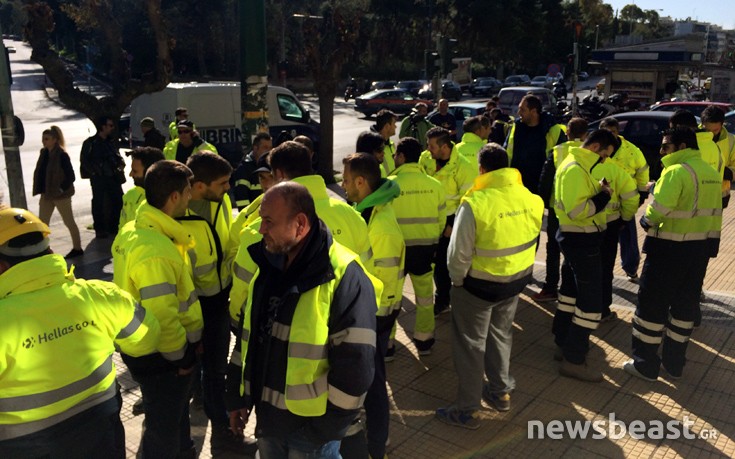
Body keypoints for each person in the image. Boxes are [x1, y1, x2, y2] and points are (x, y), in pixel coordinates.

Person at [226, 182, 377, 459]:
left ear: (300, 224)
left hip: (310, 435)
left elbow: (357, 366)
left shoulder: (344, 276)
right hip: (268, 423)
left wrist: (324, 430)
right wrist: (237, 395)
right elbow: (249, 338)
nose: (261, 230)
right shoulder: (268, 267)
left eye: (268, 222)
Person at [0, 207, 160, 459]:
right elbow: (147, 338)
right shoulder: (102, 296)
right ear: (49, 252)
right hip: (101, 432)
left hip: (23, 446)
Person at [436, 143, 543, 429]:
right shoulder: (531, 198)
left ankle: (468, 410)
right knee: (501, 335)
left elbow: (458, 254)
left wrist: (457, 282)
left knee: (471, 345)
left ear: (481, 169)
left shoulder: (475, 203)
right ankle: (501, 393)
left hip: (478, 286)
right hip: (516, 281)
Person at [226, 141, 372, 334]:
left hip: (286, 342)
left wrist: (237, 321)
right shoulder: (352, 216)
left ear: (278, 174)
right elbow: (368, 273)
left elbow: (242, 292)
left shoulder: (260, 230)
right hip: (346, 329)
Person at [112, 160, 204, 458]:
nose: (191, 197)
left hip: (143, 350)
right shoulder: (156, 250)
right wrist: (182, 358)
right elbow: (163, 315)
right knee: (163, 430)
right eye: (188, 191)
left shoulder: (133, 230)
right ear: (174, 196)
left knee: (172, 421)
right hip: (164, 359)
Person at [624, 127, 722, 381]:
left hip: (667, 249)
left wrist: (645, 221)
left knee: (652, 306)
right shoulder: (710, 173)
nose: (661, 151)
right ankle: (674, 363)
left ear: (681, 147)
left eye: (666, 146)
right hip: (699, 250)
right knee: (684, 306)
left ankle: (645, 364)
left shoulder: (676, 172)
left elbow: (656, 213)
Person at [178, 152, 252, 454]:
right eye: (222, 183)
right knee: (202, 368)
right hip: (196, 305)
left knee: (216, 368)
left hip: (220, 298)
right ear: (198, 186)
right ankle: (213, 430)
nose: (228, 188)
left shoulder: (220, 201)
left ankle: (220, 423)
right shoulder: (177, 217)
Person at [341, 153, 404, 459]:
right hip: (368, 313)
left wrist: (377, 321)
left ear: (361, 182)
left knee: (375, 385)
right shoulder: (367, 212)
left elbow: (388, 282)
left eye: (346, 179)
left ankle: (376, 446)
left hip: (374, 317)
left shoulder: (382, 226)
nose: (342, 184)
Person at [552, 129, 616, 383]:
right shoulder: (576, 169)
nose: (605, 160)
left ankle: (562, 342)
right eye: (604, 155)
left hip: (574, 238)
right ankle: (574, 359)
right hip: (581, 238)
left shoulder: (576, 165)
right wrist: (604, 196)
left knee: (569, 292)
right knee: (591, 302)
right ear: (595, 147)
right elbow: (578, 210)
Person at [389, 137, 446, 355]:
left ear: (402, 157)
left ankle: (388, 346)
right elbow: (441, 221)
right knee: (424, 298)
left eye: (395, 155)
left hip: (396, 251)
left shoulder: (389, 184)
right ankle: (424, 342)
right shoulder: (435, 185)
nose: (394, 158)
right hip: (425, 249)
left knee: (391, 299)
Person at [419, 127, 475, 315]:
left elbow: (466, 200)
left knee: (444, 262)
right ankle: (442, 297)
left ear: (444, 147)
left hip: (450, 219)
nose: (428, 150)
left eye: (432, 146)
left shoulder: (463, 167)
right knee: (434, 261)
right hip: (429, 217)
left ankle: (443, 300)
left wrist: (453, 225)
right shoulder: (426, 158)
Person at [534, 117, 588, 302]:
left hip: (557, 209)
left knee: (554, 249)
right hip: (583, 210)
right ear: (586, 134)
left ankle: (550, 288)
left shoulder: (558, 152)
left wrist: (541, 203)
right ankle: (573, 289)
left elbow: (545, 181)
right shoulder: (591, 153)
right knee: (575, 251)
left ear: (567, 133)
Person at [599, 116, 649, 283]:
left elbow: (642, 172)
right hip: (601, 206)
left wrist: (641, 195)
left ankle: (631, 268)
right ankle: (603, 273)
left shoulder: (631, 150)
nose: (610, 135)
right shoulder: (596, 149)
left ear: (618, 132)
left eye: (613, 131)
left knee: (628, 238)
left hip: (625, 203)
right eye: (607, 131)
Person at [32, 125, 83, 258]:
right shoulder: (44, 153)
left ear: (55, 140)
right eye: (43, 139)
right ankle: (42, 249)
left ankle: (77, 248)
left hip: (61, 195)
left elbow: (71, 176)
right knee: (42, 223)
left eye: (47, 139)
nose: (44, 141)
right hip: (47, 194)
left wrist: (60, 189)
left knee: (69, 222)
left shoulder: (62, 155)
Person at [504, 94, 566, 195]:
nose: (519, 113)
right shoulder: (516, 127)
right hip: (518, 186)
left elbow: (560, 161)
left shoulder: (552, 130)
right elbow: (507, 152)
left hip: (540, 187)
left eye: (523, 110)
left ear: (533, 112)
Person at [80, 116, 126, 239]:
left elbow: (117, 157)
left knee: (118, 201)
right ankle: (100, 228)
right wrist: (95, 173)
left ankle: (113, 226)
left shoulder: (110, 142)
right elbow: (84, 161)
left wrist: (120, 165)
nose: (112, 128)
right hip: (99, 178)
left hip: (112, 177)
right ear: (103, 127)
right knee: (98, 203)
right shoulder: (91, 143)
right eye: (110, 125)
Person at [119, 146, 165, 230]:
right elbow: (122, 228)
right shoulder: (130, 195)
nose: (130, 174)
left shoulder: (167, 200)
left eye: (135, 171)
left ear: (150, 172)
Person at [701, 105, 735, 208]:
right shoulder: (692, 137)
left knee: (714, 224)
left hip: (720, 194)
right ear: (702, 124)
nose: (711, 134)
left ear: (722, 124)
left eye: (715, 130)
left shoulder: (731, 140)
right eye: (707, 130)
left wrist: (728, 173)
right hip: (697, 192)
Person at [231, 132, 273, 210]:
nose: (269, 151)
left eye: (270, 148)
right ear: (255, 148)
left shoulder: (271, 165)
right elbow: (242, 198)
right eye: (265, 147)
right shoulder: (244, 168)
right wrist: (247, 217)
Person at [370, 109, 399, 177]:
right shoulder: (373, 147)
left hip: (392, 185)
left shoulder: (392, 144)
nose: (396, 126)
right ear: (387, 126)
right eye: (394, 123)